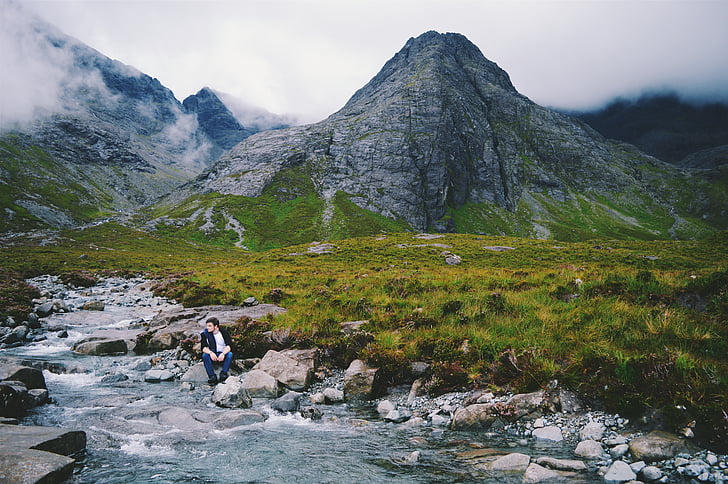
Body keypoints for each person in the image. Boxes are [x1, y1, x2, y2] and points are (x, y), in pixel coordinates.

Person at [200, 317, 233, 384]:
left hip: (222, 354)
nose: (207, 328)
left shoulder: (224, 332)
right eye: (207, 326)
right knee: (205, 355)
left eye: (210, 326)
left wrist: (223, 354)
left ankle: (223, 373)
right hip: (213, 354)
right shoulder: (205, 334)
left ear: (216, 326)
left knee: (230, 354)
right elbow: (203, 348)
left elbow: (229, 346)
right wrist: (211, 353)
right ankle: (212, 376)